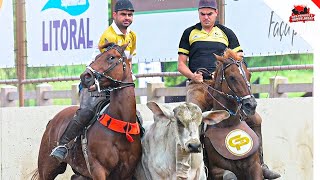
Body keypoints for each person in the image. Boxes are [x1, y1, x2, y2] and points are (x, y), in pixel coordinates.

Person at [177, 0, 281, 179]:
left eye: (209, 14)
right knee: (192, 116)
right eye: (202, 14)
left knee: (255, 119)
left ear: (216, 13)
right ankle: (192, 168)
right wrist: (193, 76)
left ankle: (261, 164)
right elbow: (181, 64)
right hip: (199, 86)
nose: (206, 17)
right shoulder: (189, 33)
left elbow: (238, 59)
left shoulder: (226, 33)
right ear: (198, 13)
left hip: (223, 86)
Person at [50, 0, 137, 161]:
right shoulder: (108, 36)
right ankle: (62, 145)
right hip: (93, 82)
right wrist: (93, 84)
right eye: (123, 14)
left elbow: (128, 62)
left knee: (133, 114)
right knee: (86, 112)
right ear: (115, 15)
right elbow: (104, 65)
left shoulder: (132, 36)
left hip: (113, 85)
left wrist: (129, 78)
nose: (127, 18)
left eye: (130, 15)